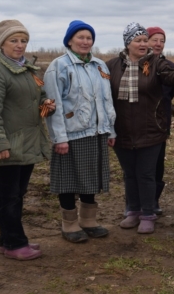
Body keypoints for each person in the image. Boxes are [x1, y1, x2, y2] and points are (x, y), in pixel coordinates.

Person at [107, 22, 174, 234]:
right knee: (129, 174)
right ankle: (132, 211)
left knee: (146, 173)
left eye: (145, 40)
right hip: (122, 129)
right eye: (138, 40)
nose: (144, 44)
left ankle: (148, 213)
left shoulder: (156, 63)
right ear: (128, 43)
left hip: (151, 129)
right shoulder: (112, 66)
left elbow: (168, 74)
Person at [0, 20, 55, 260]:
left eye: (23, 41)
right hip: (8, 146)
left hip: (27, 144)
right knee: (8, 196)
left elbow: (39, 97)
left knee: (16, 194)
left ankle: (7, 240)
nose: (19, 45)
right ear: (2, 44)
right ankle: (14, 243)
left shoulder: (28, 70)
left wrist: (46, 105)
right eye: (13, 41)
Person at [45, 20, 116, 243]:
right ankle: (69, 224)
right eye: (80, 37)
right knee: (69, 180)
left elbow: (107, 101)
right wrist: (60, 138)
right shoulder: (59, 66)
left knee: (91, 178)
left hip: (96, 132)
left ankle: (88, 221)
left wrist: (110, 130)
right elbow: (53, 105)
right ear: (69, 40)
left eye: (89, 38)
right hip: (71, 134)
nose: (85, 42)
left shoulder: (100, 66)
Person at [146, 26, 174, 215]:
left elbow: (169, 94)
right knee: (138, 166)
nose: (158, 44)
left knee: (157, 164)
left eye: (162, 40)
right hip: (137, 123)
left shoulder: (170, 67)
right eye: (154, 40)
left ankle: (154, 201)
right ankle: (135, 202)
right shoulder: (136, 65)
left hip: (159, 124)